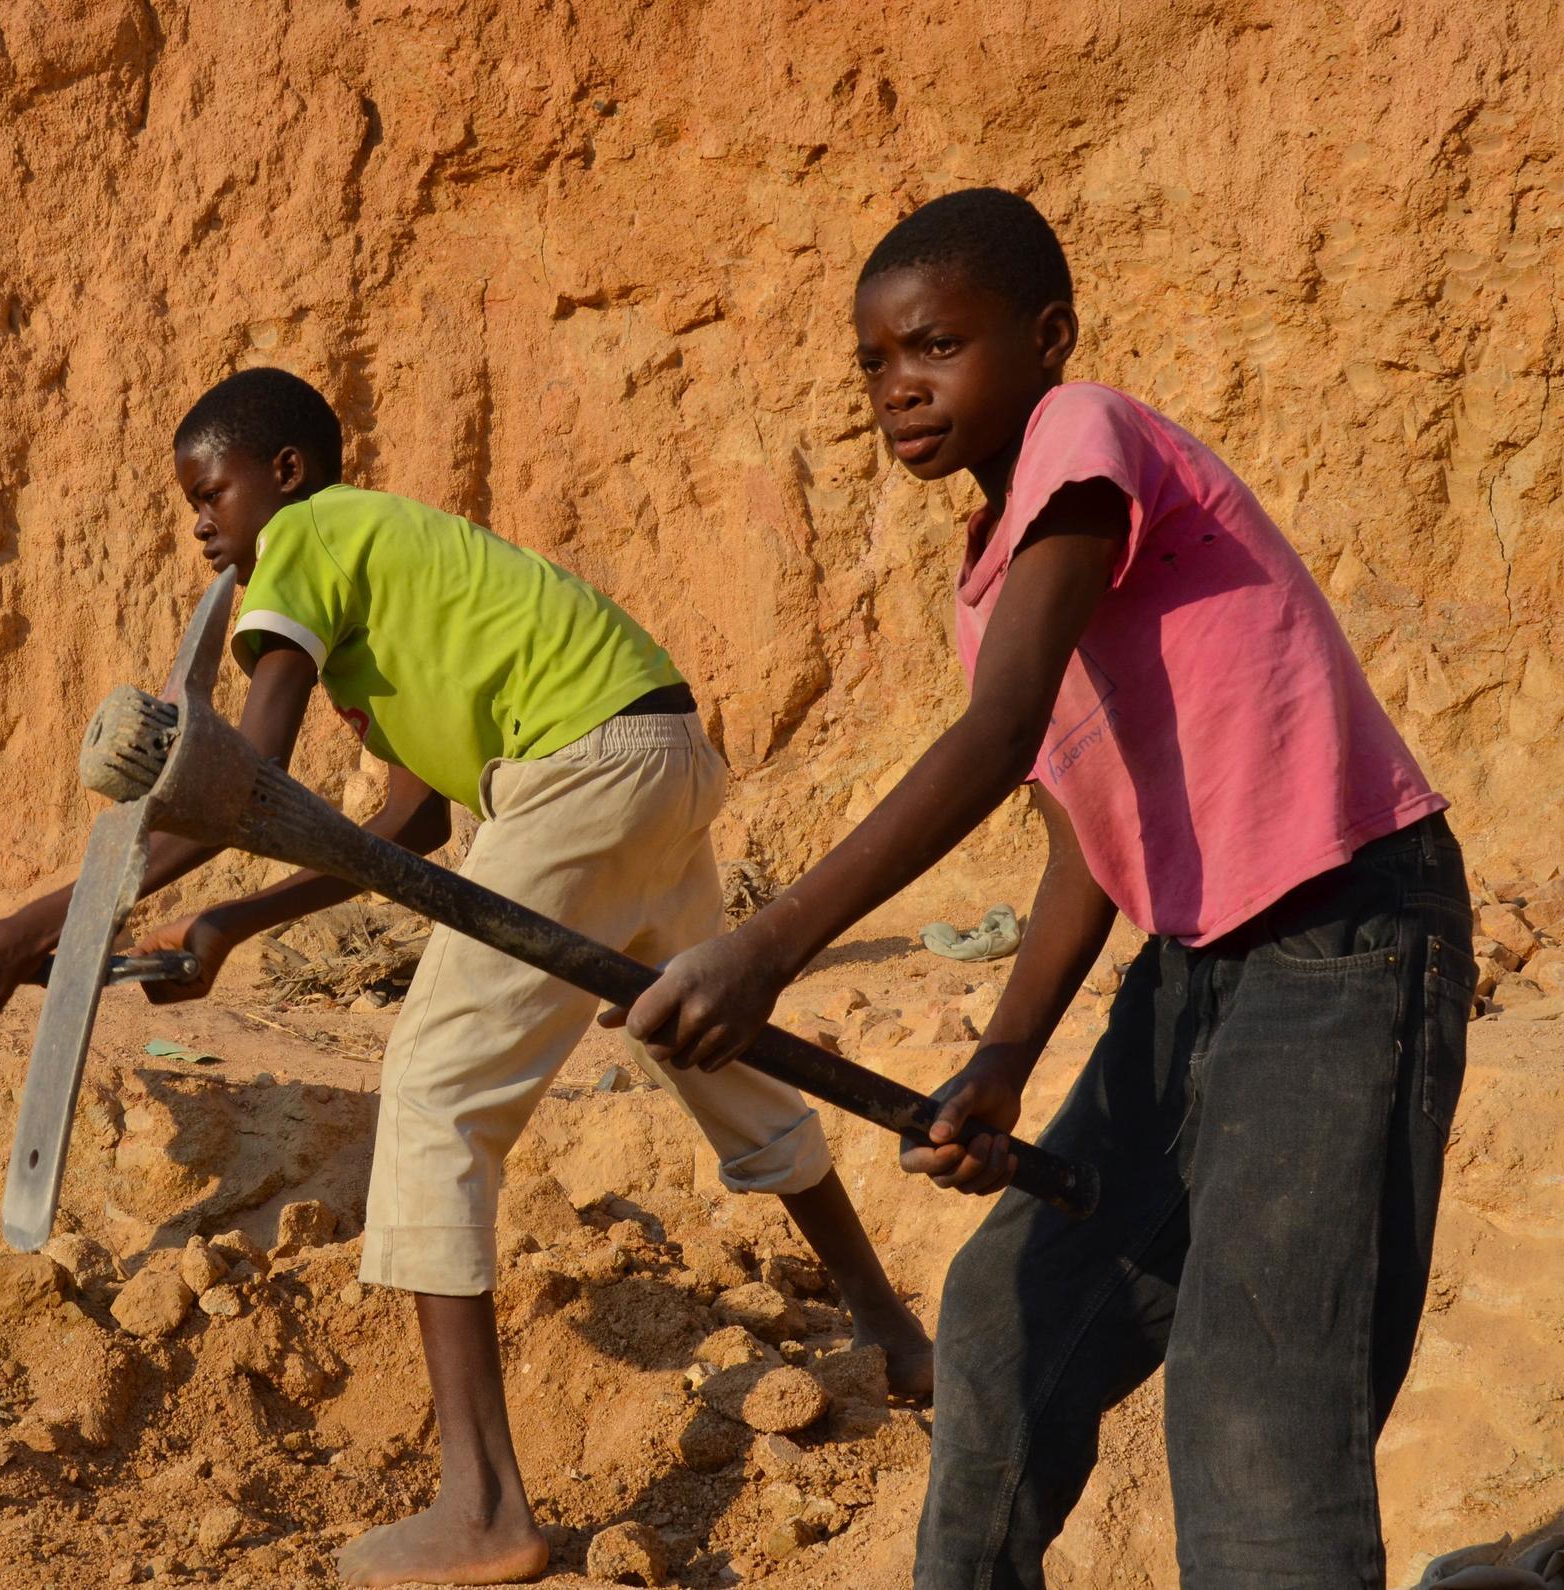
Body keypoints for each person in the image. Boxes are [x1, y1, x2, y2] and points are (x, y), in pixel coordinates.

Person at [0, 367, 930, 1587]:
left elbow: (235, 771)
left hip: (579, 767)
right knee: (697, 1039)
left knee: (438, 1088)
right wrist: (235, 923)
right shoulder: (385, 581)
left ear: (284, 475)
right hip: (653, 752)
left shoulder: (304, 540)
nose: (200, 525)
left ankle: (486, 1508)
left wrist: (37, 926)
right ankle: (890, 1330)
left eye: (211, 493)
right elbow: (406, 832)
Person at [618, 189, 1471, 1587]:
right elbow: (1087, 825)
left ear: (1048, 336)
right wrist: (1003, 1058)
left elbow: (1005, 735)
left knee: (1258, 1404)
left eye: (938, 346)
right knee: (1008, 1321)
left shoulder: (1086, 436)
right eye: (876, 363)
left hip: (1344, 931)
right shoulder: (993, 584)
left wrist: (770, 943)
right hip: (1201, 969)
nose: (901, 387)